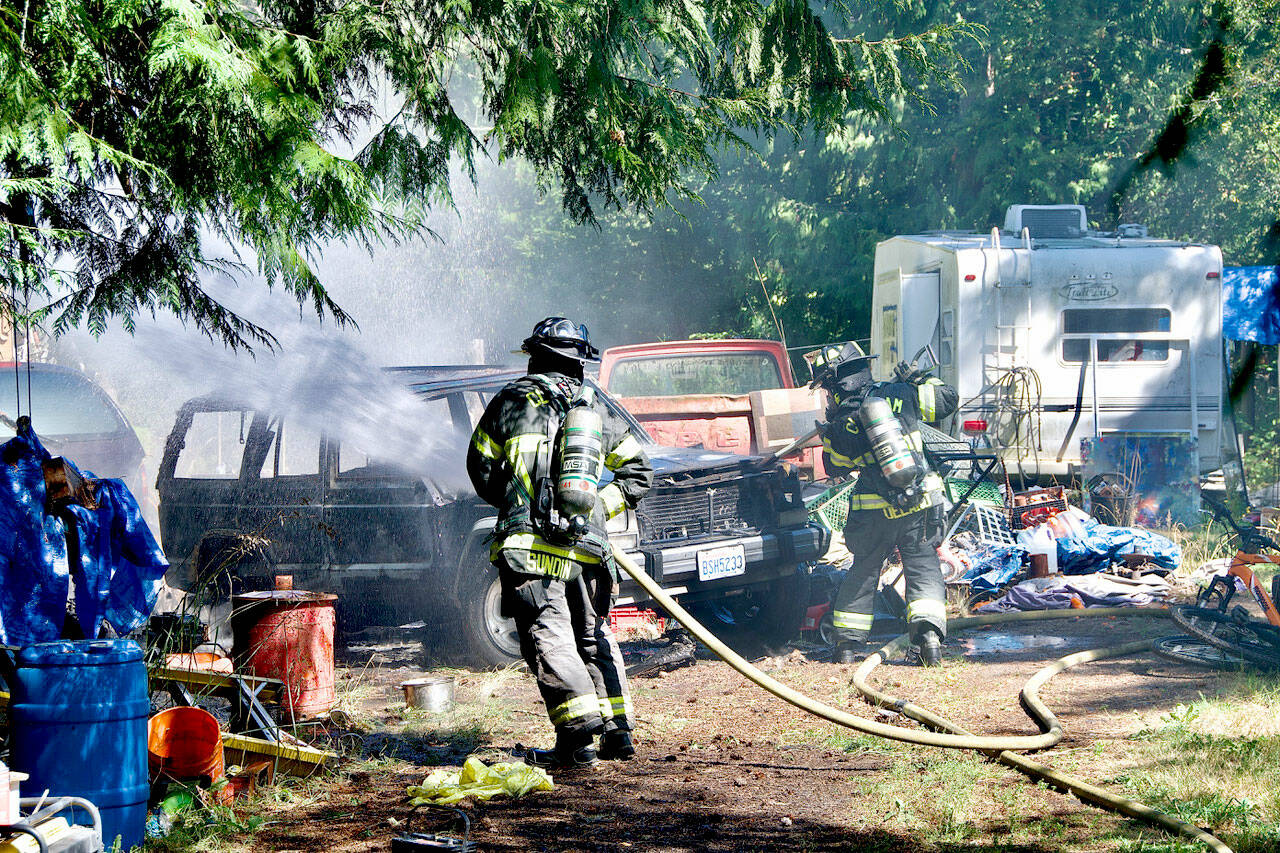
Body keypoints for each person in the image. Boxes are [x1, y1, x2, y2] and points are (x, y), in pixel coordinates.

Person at [467, 317, 653, 769]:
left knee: (549, 637)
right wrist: (591, 511)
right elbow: (638, 473)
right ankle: (617, 734)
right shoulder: (595, 409)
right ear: (579, 363)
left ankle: (576, 743)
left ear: (534, 356)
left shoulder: (510, 402)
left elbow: (482, 471)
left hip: (530, 549)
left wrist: (517, 499)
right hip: (587, 551)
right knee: (591, 637)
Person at [811, 343, 958, 666]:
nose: (826, 396)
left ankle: (846, 647)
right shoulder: (900, 393)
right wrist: (918, 378)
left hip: (873, 514)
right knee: (922, 567)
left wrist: (831, 432)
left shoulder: (842, 422)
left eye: (826, 388)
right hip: (919, 504)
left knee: (863, 571)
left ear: (836, 384)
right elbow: (947, 400)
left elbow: (834, 465)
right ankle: (929, 641)